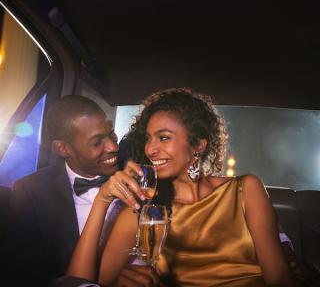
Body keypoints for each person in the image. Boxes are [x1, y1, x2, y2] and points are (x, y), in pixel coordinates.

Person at [67, 88, 297, 286]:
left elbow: (278, 277)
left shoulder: (246, 189)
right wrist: (102, 201)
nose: (151, 149)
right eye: (148, 138)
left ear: (198, 144)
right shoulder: (145, 210)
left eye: (164, 138)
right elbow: (85, 284)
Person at [2, 95, 157, 287]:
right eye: (96, 142)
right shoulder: (33, 191)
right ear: (63, 149)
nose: (113, 147)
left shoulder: (139, 176)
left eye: (112, 134)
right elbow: (20, 275)